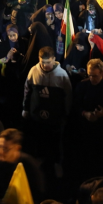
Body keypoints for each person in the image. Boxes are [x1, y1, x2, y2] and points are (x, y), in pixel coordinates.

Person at [23, 46, 72, 178]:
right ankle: (38, 161)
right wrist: (25, 108)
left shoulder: (62, 75)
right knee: (38, 139)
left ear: (54, 60)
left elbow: (67, 97)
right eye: (42, 62)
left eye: (48, 62)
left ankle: (57, 163)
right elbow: (27, 91)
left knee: (55, 142)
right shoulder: (33, 71)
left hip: (55, 118)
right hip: (36, 116)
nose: (45, 66)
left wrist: (66, 113)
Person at [73, 59, 103, 176]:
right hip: (85, 132)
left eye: (95, 76)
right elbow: (75, 106)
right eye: (89, 75)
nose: (92, 79)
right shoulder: (82, 86)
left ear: (102, 73)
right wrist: (85, 114)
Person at [0, 128, 45, 202]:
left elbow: (38, 193)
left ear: (17, 148)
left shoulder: (29, 164)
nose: (0, 152)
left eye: (5, 149)